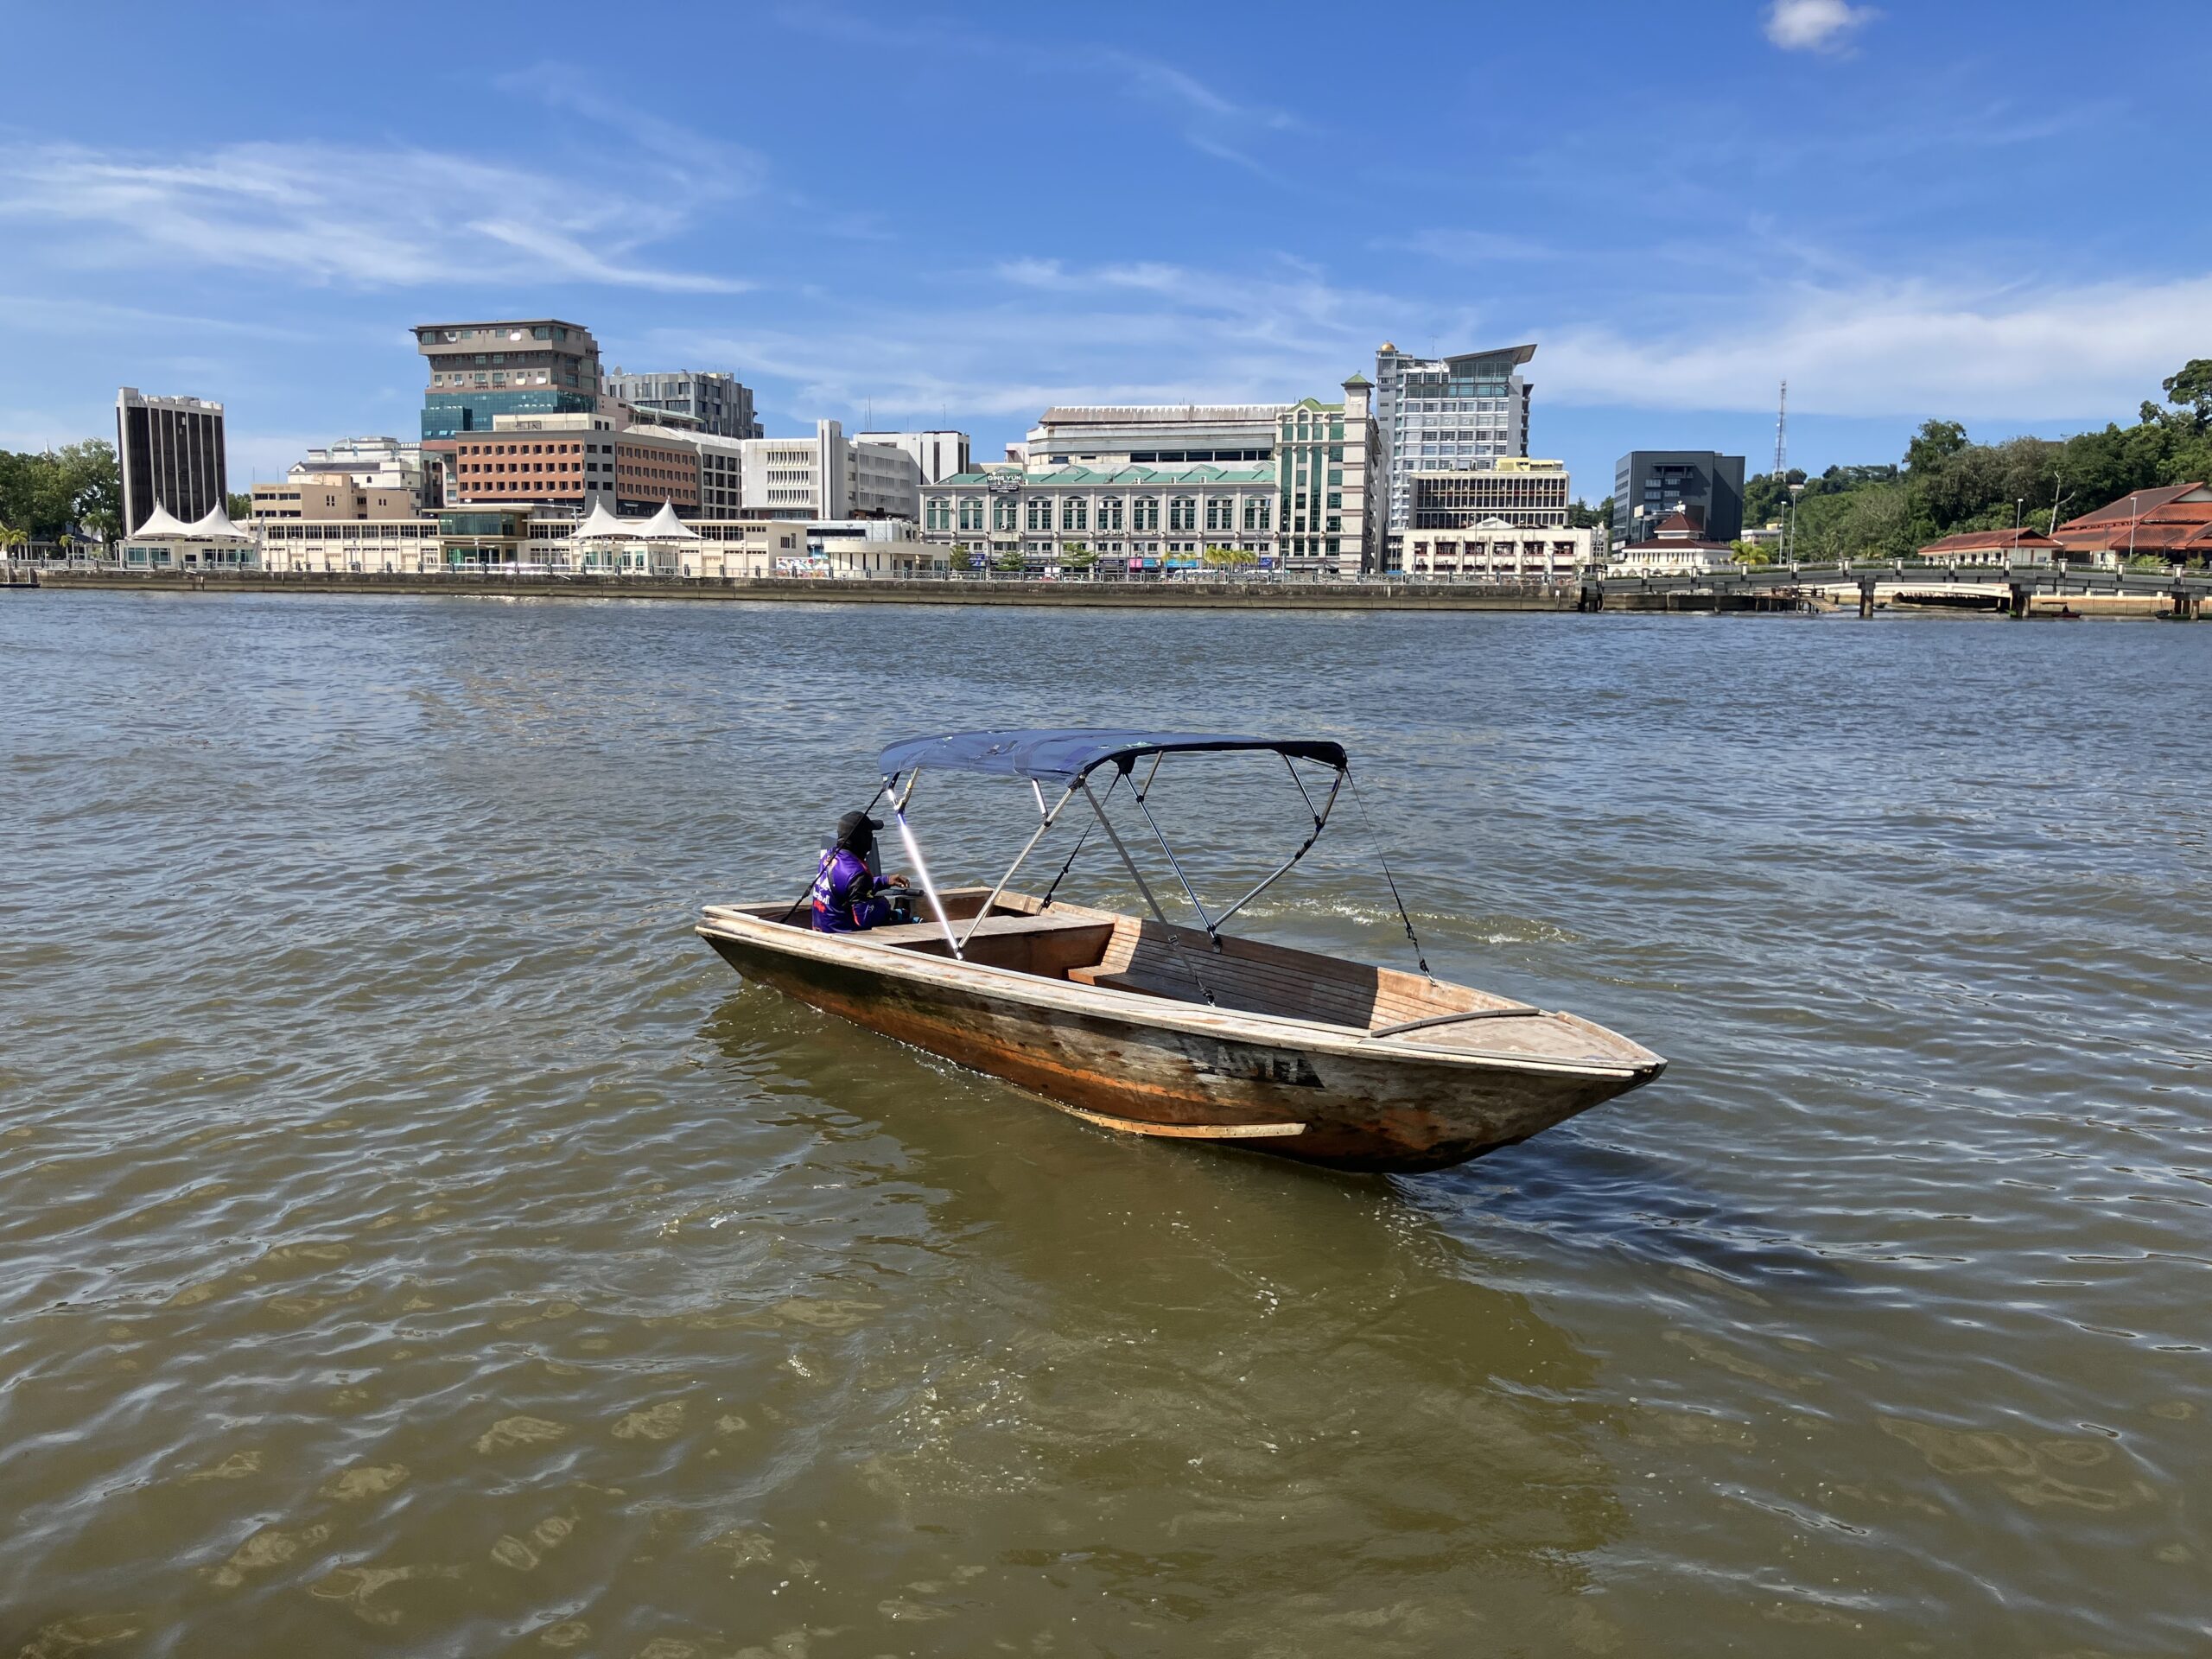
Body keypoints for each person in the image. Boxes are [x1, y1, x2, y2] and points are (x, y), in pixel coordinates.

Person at [809, 810, 911, 932]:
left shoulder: (829, 856)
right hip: (845, 936)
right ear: (863, 838)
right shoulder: (857, 873)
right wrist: (883, 905)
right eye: (870, 833)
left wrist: (885, 881)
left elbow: (848, 886)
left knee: (900, 914)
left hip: (824, 928)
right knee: (918, 922)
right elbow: (864, 920)